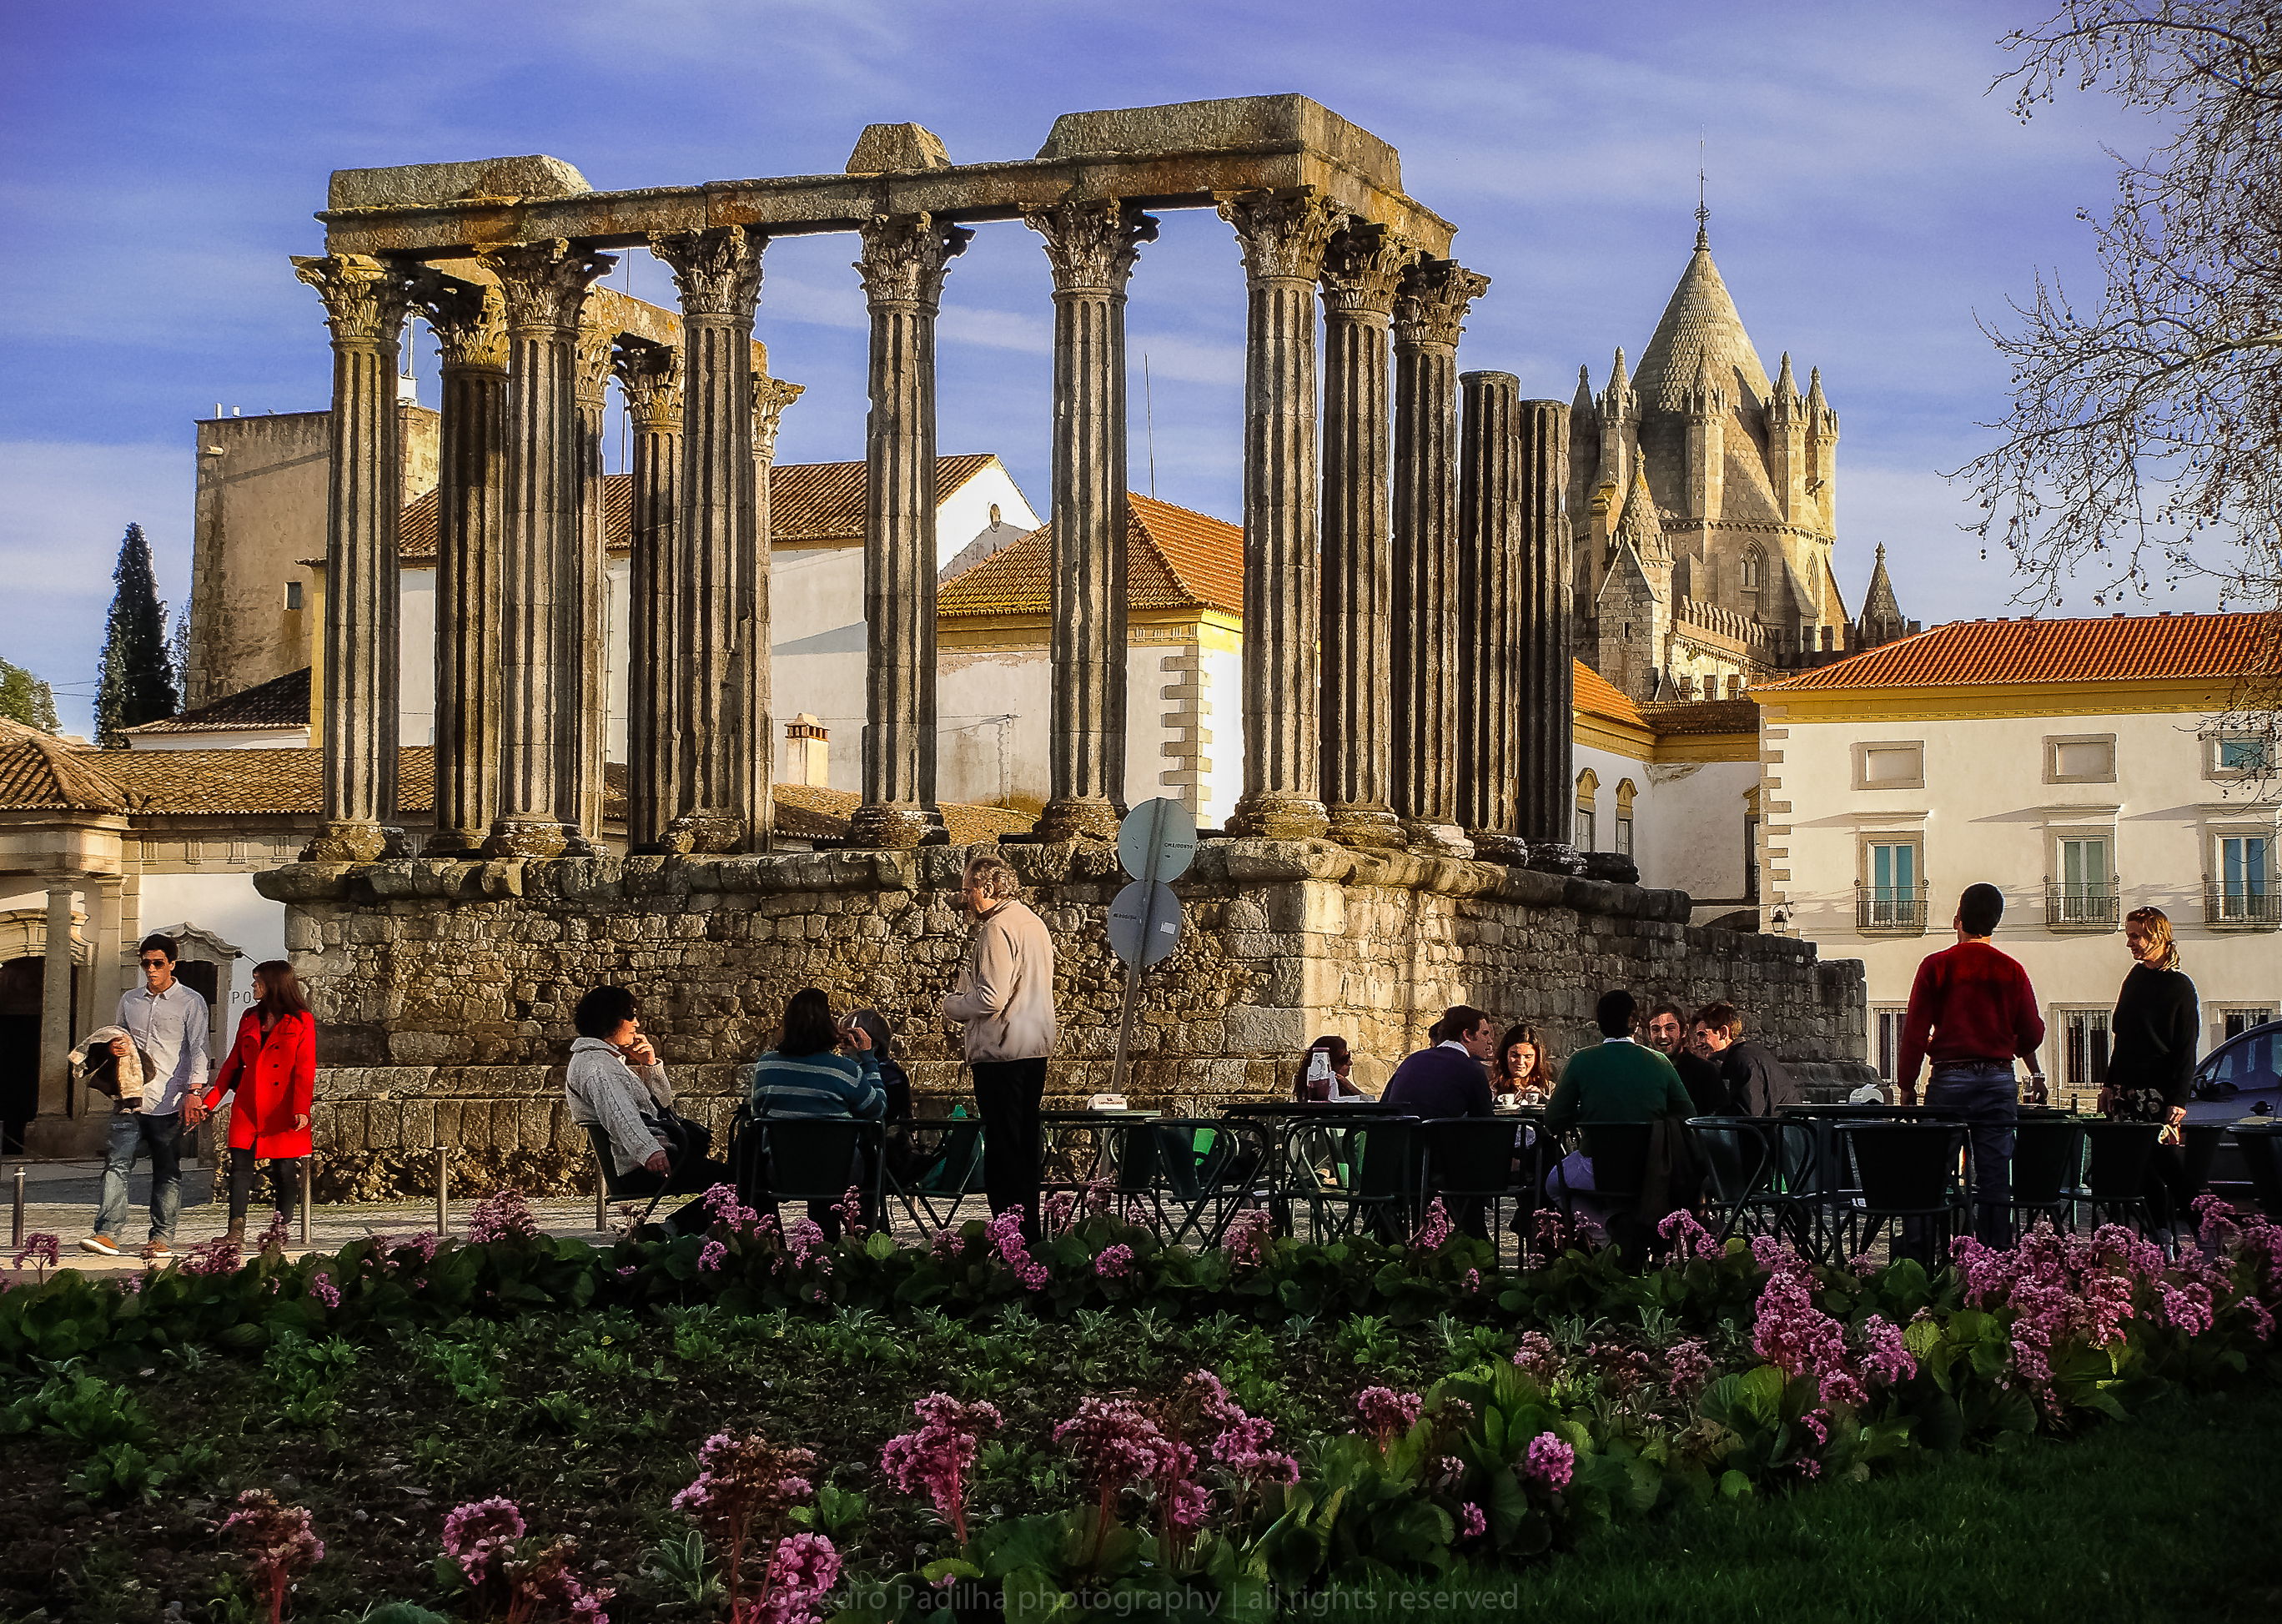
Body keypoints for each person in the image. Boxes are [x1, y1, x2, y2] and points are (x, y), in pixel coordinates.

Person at [1897, 882, 2047, 1248]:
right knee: (1995, 1176)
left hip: (1950, 1077)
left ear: (1957, 920)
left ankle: (1923, 1252)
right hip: (1997, 1077)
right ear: (1996, 922)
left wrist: (1906, 1085)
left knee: (1932, 1171)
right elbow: (2033, 1031)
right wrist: (2007, 1044)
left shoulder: (1936, 965)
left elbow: (1914, 1030)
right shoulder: (2011, 970)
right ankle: (1995, 1259)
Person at [941, 852, 1056, 1238]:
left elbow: (991, 997)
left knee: (1004, 1151)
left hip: (1001, 1051)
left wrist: (953, 1004)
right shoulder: (1035, 924)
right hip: (1034, 1046)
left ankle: (1011, 1235)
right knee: (1024, 1146)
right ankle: (1031, 1232)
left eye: (967, 888)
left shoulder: (997, 928)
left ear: (987, 888)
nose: (965, 897)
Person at [83, 933, 209, 1260]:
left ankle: (162, 1237)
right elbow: (118, 1034)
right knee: (116, 1164)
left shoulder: (191, 1002)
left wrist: (195, 1092)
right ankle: (107, 1232)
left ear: (172, 964)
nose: (151, 970)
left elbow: (198, 1048)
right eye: (146, 963)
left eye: (157, 963)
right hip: (130, 1096)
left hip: (168, 1098)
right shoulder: (130, 1000)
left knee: (166, 1170)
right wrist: (113, 1047)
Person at [565, 984, 727, 1237]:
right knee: (739, 1184)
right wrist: (648, 1151)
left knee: (740, 1181)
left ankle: (676, 1230)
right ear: (612, 1020)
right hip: (639, 1167)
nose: (637, 1023)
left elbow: (662, 1107)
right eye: (631, 1015)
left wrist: (649, 1066)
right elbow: (619, 1112)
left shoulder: (603, 1061)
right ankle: (671, 1229)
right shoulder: (599, 1067)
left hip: (649, 1158)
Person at [1543, 990, 1698, 1248]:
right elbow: (1688, 1115)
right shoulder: (1659, 1062)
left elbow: (1554, 1119)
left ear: (1600, 1024)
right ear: (1635, 1022)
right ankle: (1619, 1230)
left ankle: (1603, 1235)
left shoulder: (1581, 1061)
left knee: (1554, 1184)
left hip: (1598, 1165)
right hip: (1650, 1167)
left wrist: (1586, 1114)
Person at [188, 960, 315, 1245]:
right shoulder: (249, 1017)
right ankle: (235, 1231)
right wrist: (210, 1101)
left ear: (274, 983)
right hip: (248, 1104)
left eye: (257, 980)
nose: (253, 985)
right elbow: (233, 1064)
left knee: (284, 1170)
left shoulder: (301, 1020)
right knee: (240, 1168)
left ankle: (279, 1230)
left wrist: (301, 1109)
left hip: (284, 1107)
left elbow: (305, 1068)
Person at [750, 988, 887, 1237]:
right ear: (829, 1025)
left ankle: (772, 1241)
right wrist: (867, 1058)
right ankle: (848, 1241)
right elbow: (876, 1110)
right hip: (840, 1173)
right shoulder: (845, 1071)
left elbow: (758, 1110)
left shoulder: (767, 1065)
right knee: (838, 1158)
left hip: (781, 1172)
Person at [2103, 907, 2199, 1232]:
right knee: (2139, 1170)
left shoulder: (2180, 987)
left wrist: (2178, 1100)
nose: (2130, 943)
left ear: (2157, 936)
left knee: (2164, 1166)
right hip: (2124, 1091)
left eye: (2136, 936)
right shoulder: (2135, 978)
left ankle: (2200, 1228)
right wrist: (2108, 1084)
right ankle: (2160, 1236)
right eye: (2129, 935)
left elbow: (2186, 1048)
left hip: (2154, 1093)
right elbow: (2122, 1036)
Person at [1382, 1006, 1498, 1119]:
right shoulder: (1471, 1069)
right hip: (1436, 1136)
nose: (1490, 1041)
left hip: (1393, 1135)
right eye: (1485, 1034)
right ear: (1467, 1035)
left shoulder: (1411, 1060)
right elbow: (1485, 1123)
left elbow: (1383, 1106)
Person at [1690, 1003, 1802, 1117]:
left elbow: (1748, 1113)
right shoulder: (1749, 1053)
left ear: (1723, 1033)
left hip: (1777, 1131)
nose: (1698, 1043)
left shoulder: (1741, 1060)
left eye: (1702, 1035)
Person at [1649, 1002, 1727, 1115]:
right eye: (1655, 1029)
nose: (1663, 1036)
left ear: (1684, 1031)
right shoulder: (1645, 1071)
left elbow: (1719, 1117)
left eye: (1670, 1028)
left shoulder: (1705, 1072)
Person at [1492, 1024, 1555, 1108]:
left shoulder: (1548, 1088)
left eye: (1528, 1057)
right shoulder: (1492, 1087)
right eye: (1515, 1055)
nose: (1521, 1062)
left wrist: (1542, 1098)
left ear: (1537, 1059)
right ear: (1505, 1055)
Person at [1294, 1035, 1366, 1101]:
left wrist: (1349, 1086)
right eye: (1344, 1059)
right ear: (1330, 1061)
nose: (1350, 1063)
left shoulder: (1343, 1085)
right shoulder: (1316, 1089)